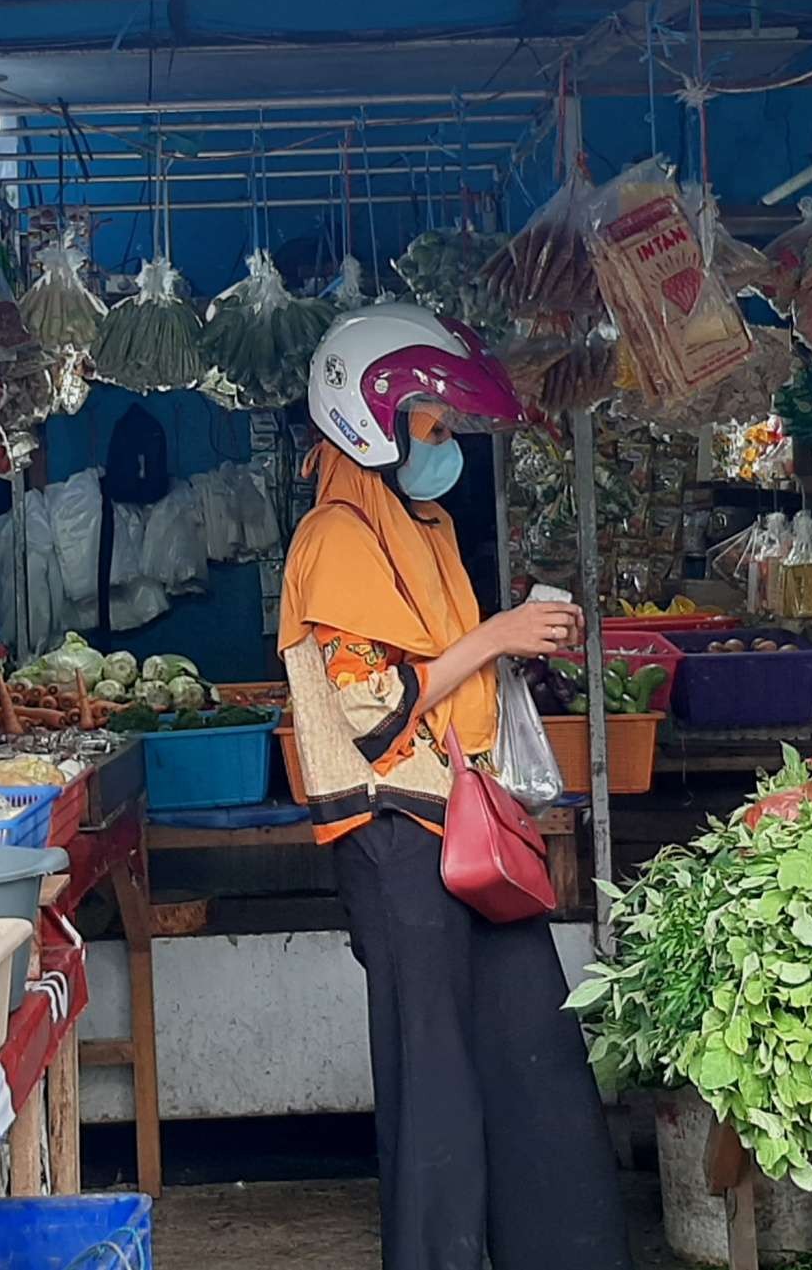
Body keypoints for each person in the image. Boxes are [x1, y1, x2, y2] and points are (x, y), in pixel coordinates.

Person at [278, 303, 634, 1270]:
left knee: (531, 1051)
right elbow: (368, 711)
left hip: (465, 817)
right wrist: (497, 637)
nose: (443, 442)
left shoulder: (419, 521)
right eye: (430, 423)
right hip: (393, 834)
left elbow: (443, 672)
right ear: (370, 421)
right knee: (432, 1071)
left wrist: (511, 652)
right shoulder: (335, 535)